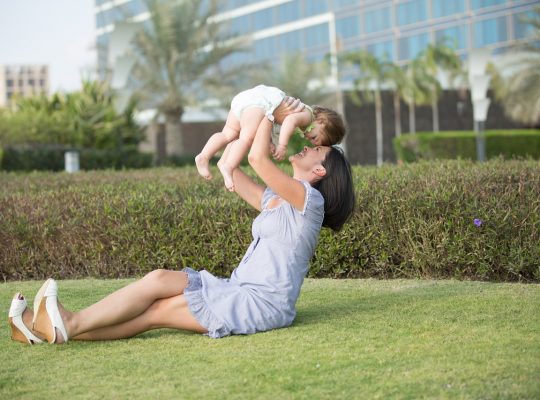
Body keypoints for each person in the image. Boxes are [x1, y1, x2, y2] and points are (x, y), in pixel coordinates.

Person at [7, 99, 355, 344]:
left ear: (320, 170)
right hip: (235, 287)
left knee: (158, 312)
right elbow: (234, 170)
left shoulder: (310, 201)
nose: (308, 146)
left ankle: (65, 325)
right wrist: (240, 129)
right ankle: (45, 329)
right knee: (159, 280)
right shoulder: (278, 200)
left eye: (317, 150)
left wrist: (269, 105)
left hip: (261, 304)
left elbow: (258, 159)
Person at [195, 84, 346, 191]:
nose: (309, 140)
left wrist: (270, 141)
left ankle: (204, 156)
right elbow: (288, 120)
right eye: (315, 138)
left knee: (228, 133)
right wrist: (282, 145)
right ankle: (228, 166)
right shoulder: (308, 117)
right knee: (246, 138)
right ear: (321, 122)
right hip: (260, 103)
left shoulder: (305, 120)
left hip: (248, 100)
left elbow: (273, 122)